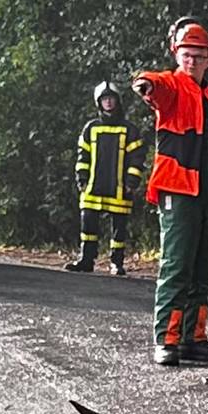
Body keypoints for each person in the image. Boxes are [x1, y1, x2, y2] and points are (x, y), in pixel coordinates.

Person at [133, 18, 208, 365]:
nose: (192, 61)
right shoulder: (173, 88)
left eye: (198, 55)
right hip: (178, 189)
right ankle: (167, 339)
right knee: (177, 266)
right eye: (186, 55)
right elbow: (155, 85)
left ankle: (194, 337)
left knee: (203, 269)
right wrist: (145, 84)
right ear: (177, 55)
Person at [66, 80, 144, 275]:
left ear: (118, 101)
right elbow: (83, 156)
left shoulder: (130, 130)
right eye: (104, 100)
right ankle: (86, 260)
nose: (108, 103)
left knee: (119, 228)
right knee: (88, 225)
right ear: (98, 103)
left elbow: (137, 158)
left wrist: (132, 182)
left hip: (119, 187)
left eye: (111, 99)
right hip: (92, 187)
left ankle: (116, 263)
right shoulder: (90, 128)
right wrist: (82, 179)